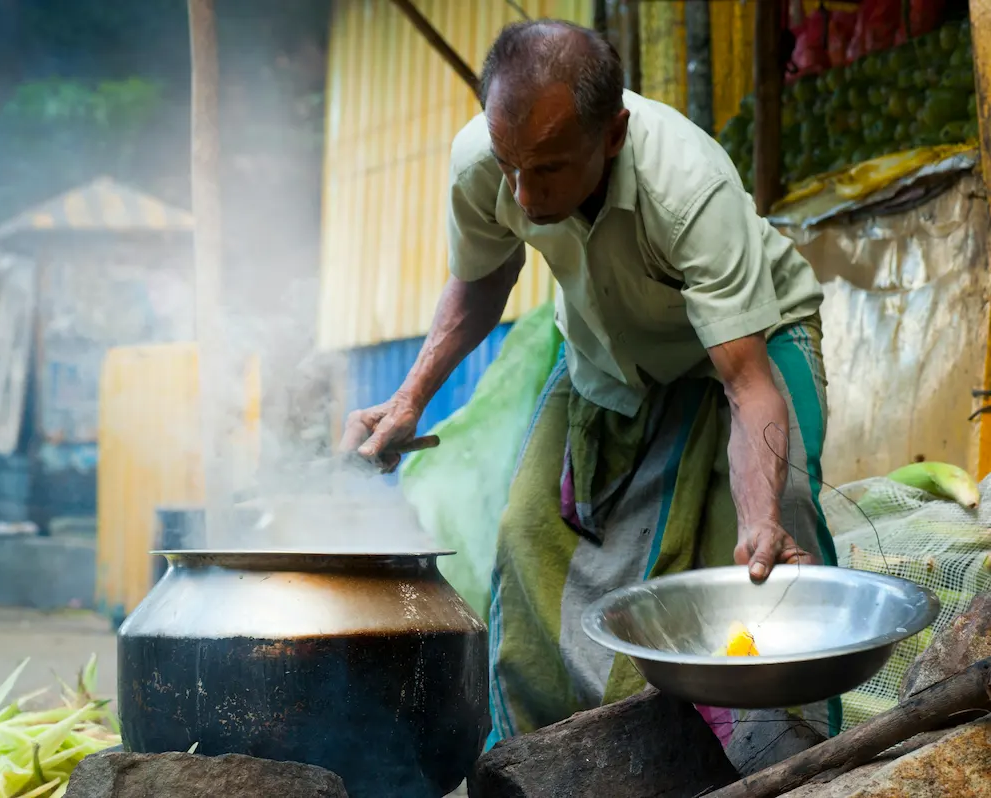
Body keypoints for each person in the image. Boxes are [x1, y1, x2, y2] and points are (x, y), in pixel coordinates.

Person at [340, 20, 839, 745]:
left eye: (547, 169)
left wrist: (762, 518)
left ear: (613, 135)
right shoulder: (484, 159)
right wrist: (409, 397)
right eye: (511, 165)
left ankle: (784, 760)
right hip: (609, 358)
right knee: (526, 532)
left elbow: (748, 386)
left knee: (771, 536)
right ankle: (549, 759)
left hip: (751, 344)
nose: (524, 191)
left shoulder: (689, 189)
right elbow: (483, 279)